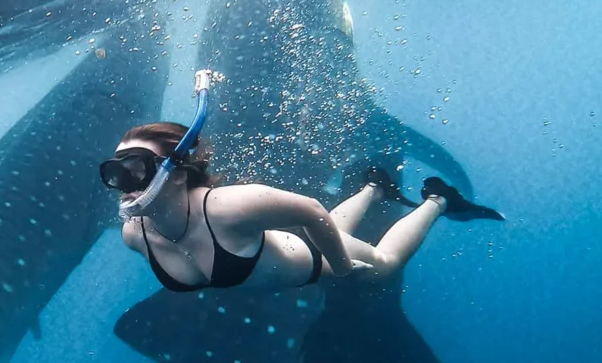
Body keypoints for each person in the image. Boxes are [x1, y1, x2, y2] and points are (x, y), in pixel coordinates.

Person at [99, 121, 504, 292]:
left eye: (136, 168)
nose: (123, 184)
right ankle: (373, 189)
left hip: (306, 259)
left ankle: (439, 200)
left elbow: (311, 210)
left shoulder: (229, 207)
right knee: (330, 230)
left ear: (180, 171)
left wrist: (343, 268)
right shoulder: (135, 234)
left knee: (383, 266)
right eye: (114, 172)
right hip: (266, 246)